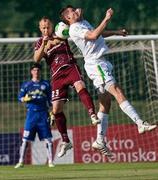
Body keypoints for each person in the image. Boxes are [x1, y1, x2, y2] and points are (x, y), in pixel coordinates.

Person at [60, 5, 157, 156]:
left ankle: (99, 140)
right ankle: (139, 123)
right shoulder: (74, 29)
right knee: (117, 91)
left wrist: (116, 32)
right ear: (68, 17)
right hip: (96, 63)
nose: (76, 11)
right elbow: (92, 36)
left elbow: (99, 34)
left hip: (101, 62)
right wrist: (106, 18)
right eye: (72, 11)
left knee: (105, 103)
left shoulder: (82, 23)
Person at [33, 16, 100, 158]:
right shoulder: (40, 42)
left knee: (80, 86)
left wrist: (77, 16)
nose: (46, 29)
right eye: (43, 28)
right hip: (57, 76)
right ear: (40, 29)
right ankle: (66, 141)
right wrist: (45, 44)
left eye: (48, 26)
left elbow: (70, 31)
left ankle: (92, 115)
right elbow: (36, 59)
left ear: (52, 26)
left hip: (70, 67)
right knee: (56, 109)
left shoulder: (60, 32)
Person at [14, 63, 55, 168]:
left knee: (48, 139)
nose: (36, 72)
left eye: (38, 70)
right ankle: (21, 161)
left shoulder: (46, 84)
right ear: (31, 72)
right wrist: (25, 99)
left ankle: (50, 161)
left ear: (40, 72)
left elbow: (51, 100)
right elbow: (19, 98)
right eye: (34, 70)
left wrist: (52, 112)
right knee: (25, 140)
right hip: (31, 115)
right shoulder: (26, 85)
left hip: (43, 114)